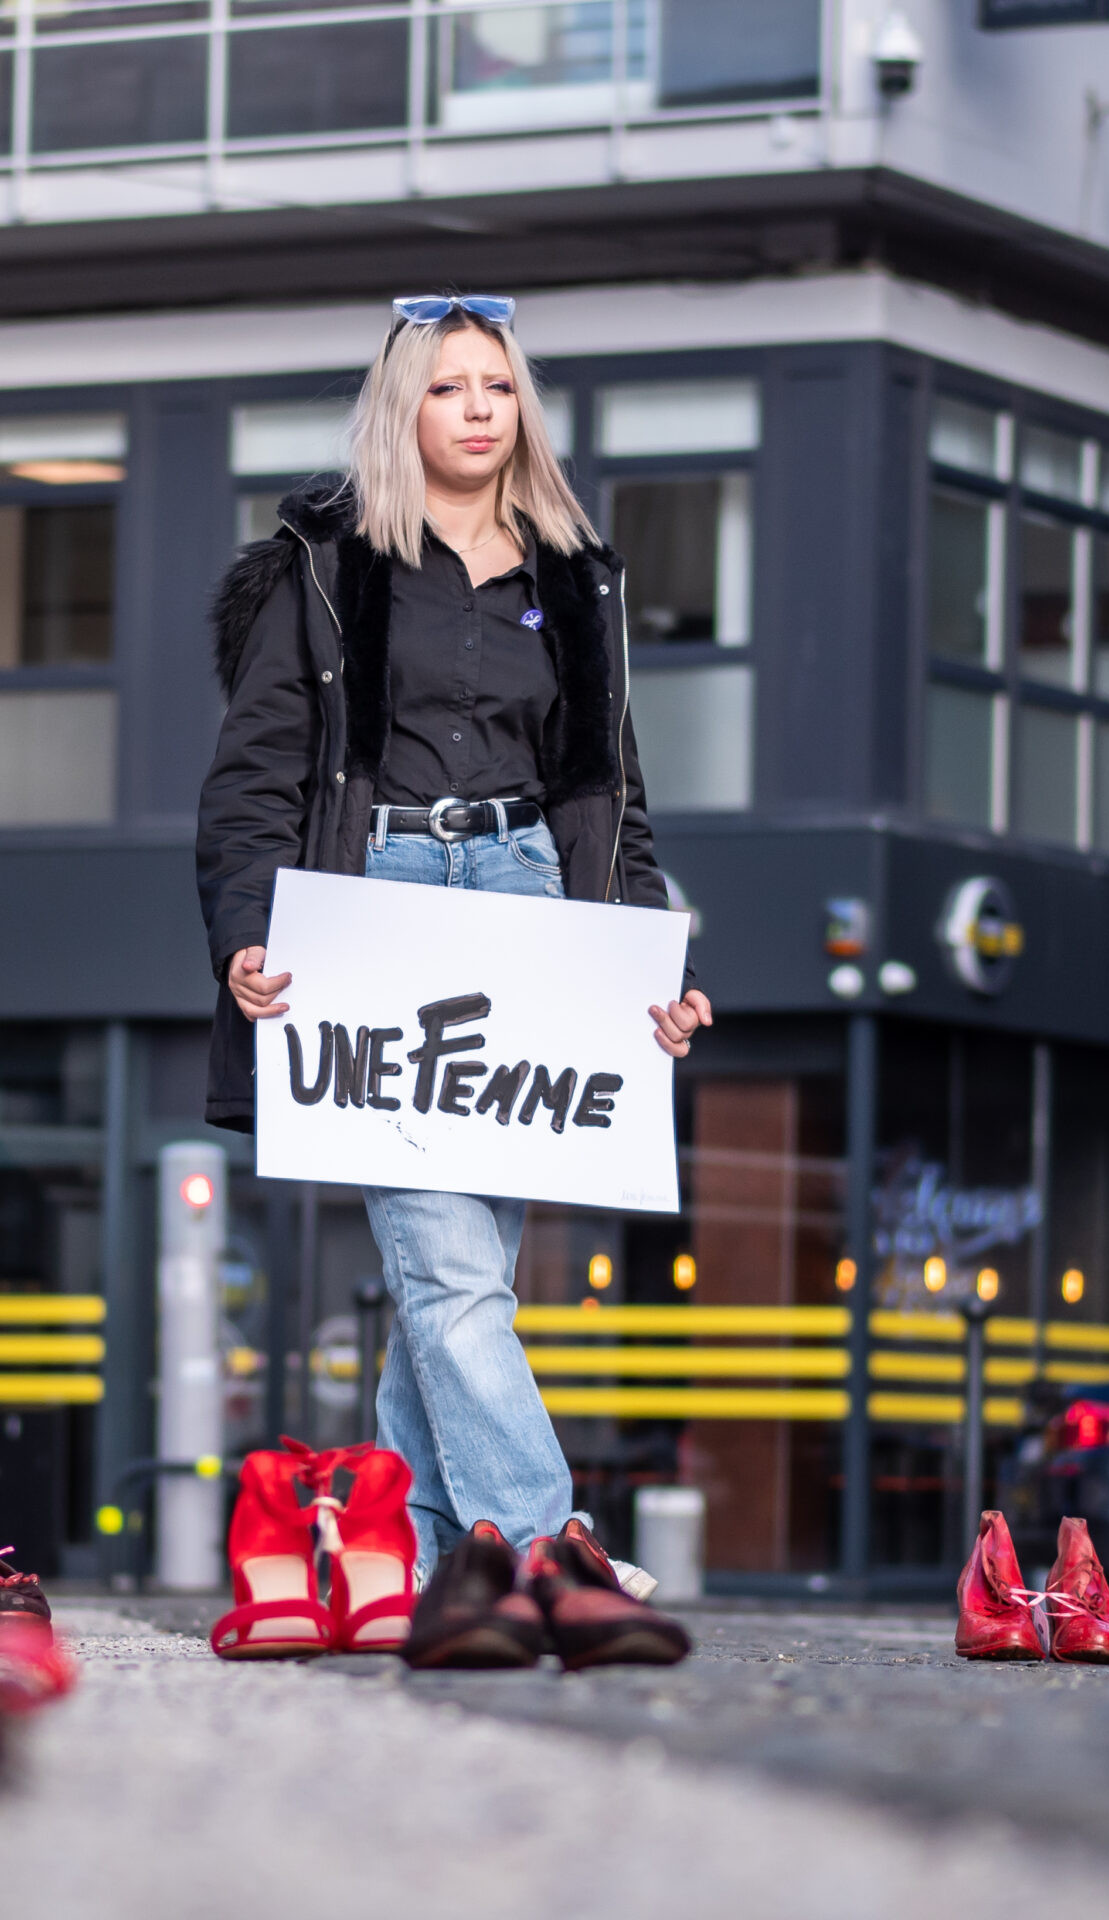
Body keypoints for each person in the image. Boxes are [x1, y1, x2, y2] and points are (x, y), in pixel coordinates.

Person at [196, 293, 707, 1665]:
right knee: (450, 1264)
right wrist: (251, 928)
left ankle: (396, 1565)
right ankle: (544, 1542)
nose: (479, 407)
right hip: (378, 910)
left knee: (466, 1273)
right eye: (449, 386)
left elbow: (615, 799)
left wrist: (646, 965)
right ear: (403, 408)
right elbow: (253, 781)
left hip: (535, 904)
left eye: (498, 385)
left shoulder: (577, 572)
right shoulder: (326, 564)